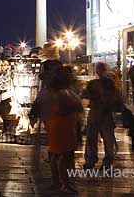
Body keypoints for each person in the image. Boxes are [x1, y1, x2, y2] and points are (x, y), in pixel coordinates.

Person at [45, 66, 82, 194]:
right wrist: (75, 106)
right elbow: (64, 109)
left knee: (56, 154)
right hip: (63, 125)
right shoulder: (63, 92)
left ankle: (57, 182)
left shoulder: (54, 90)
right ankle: (65, 184)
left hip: (57, 124)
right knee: (65, 155)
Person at [82, 62, 120, 169]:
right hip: (103, 112)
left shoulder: (96, 83)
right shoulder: (108, 83)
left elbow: (85, 94)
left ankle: (93, 160)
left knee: (94, 138)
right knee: (105, 138)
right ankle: (105, 161)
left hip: (98, 111)